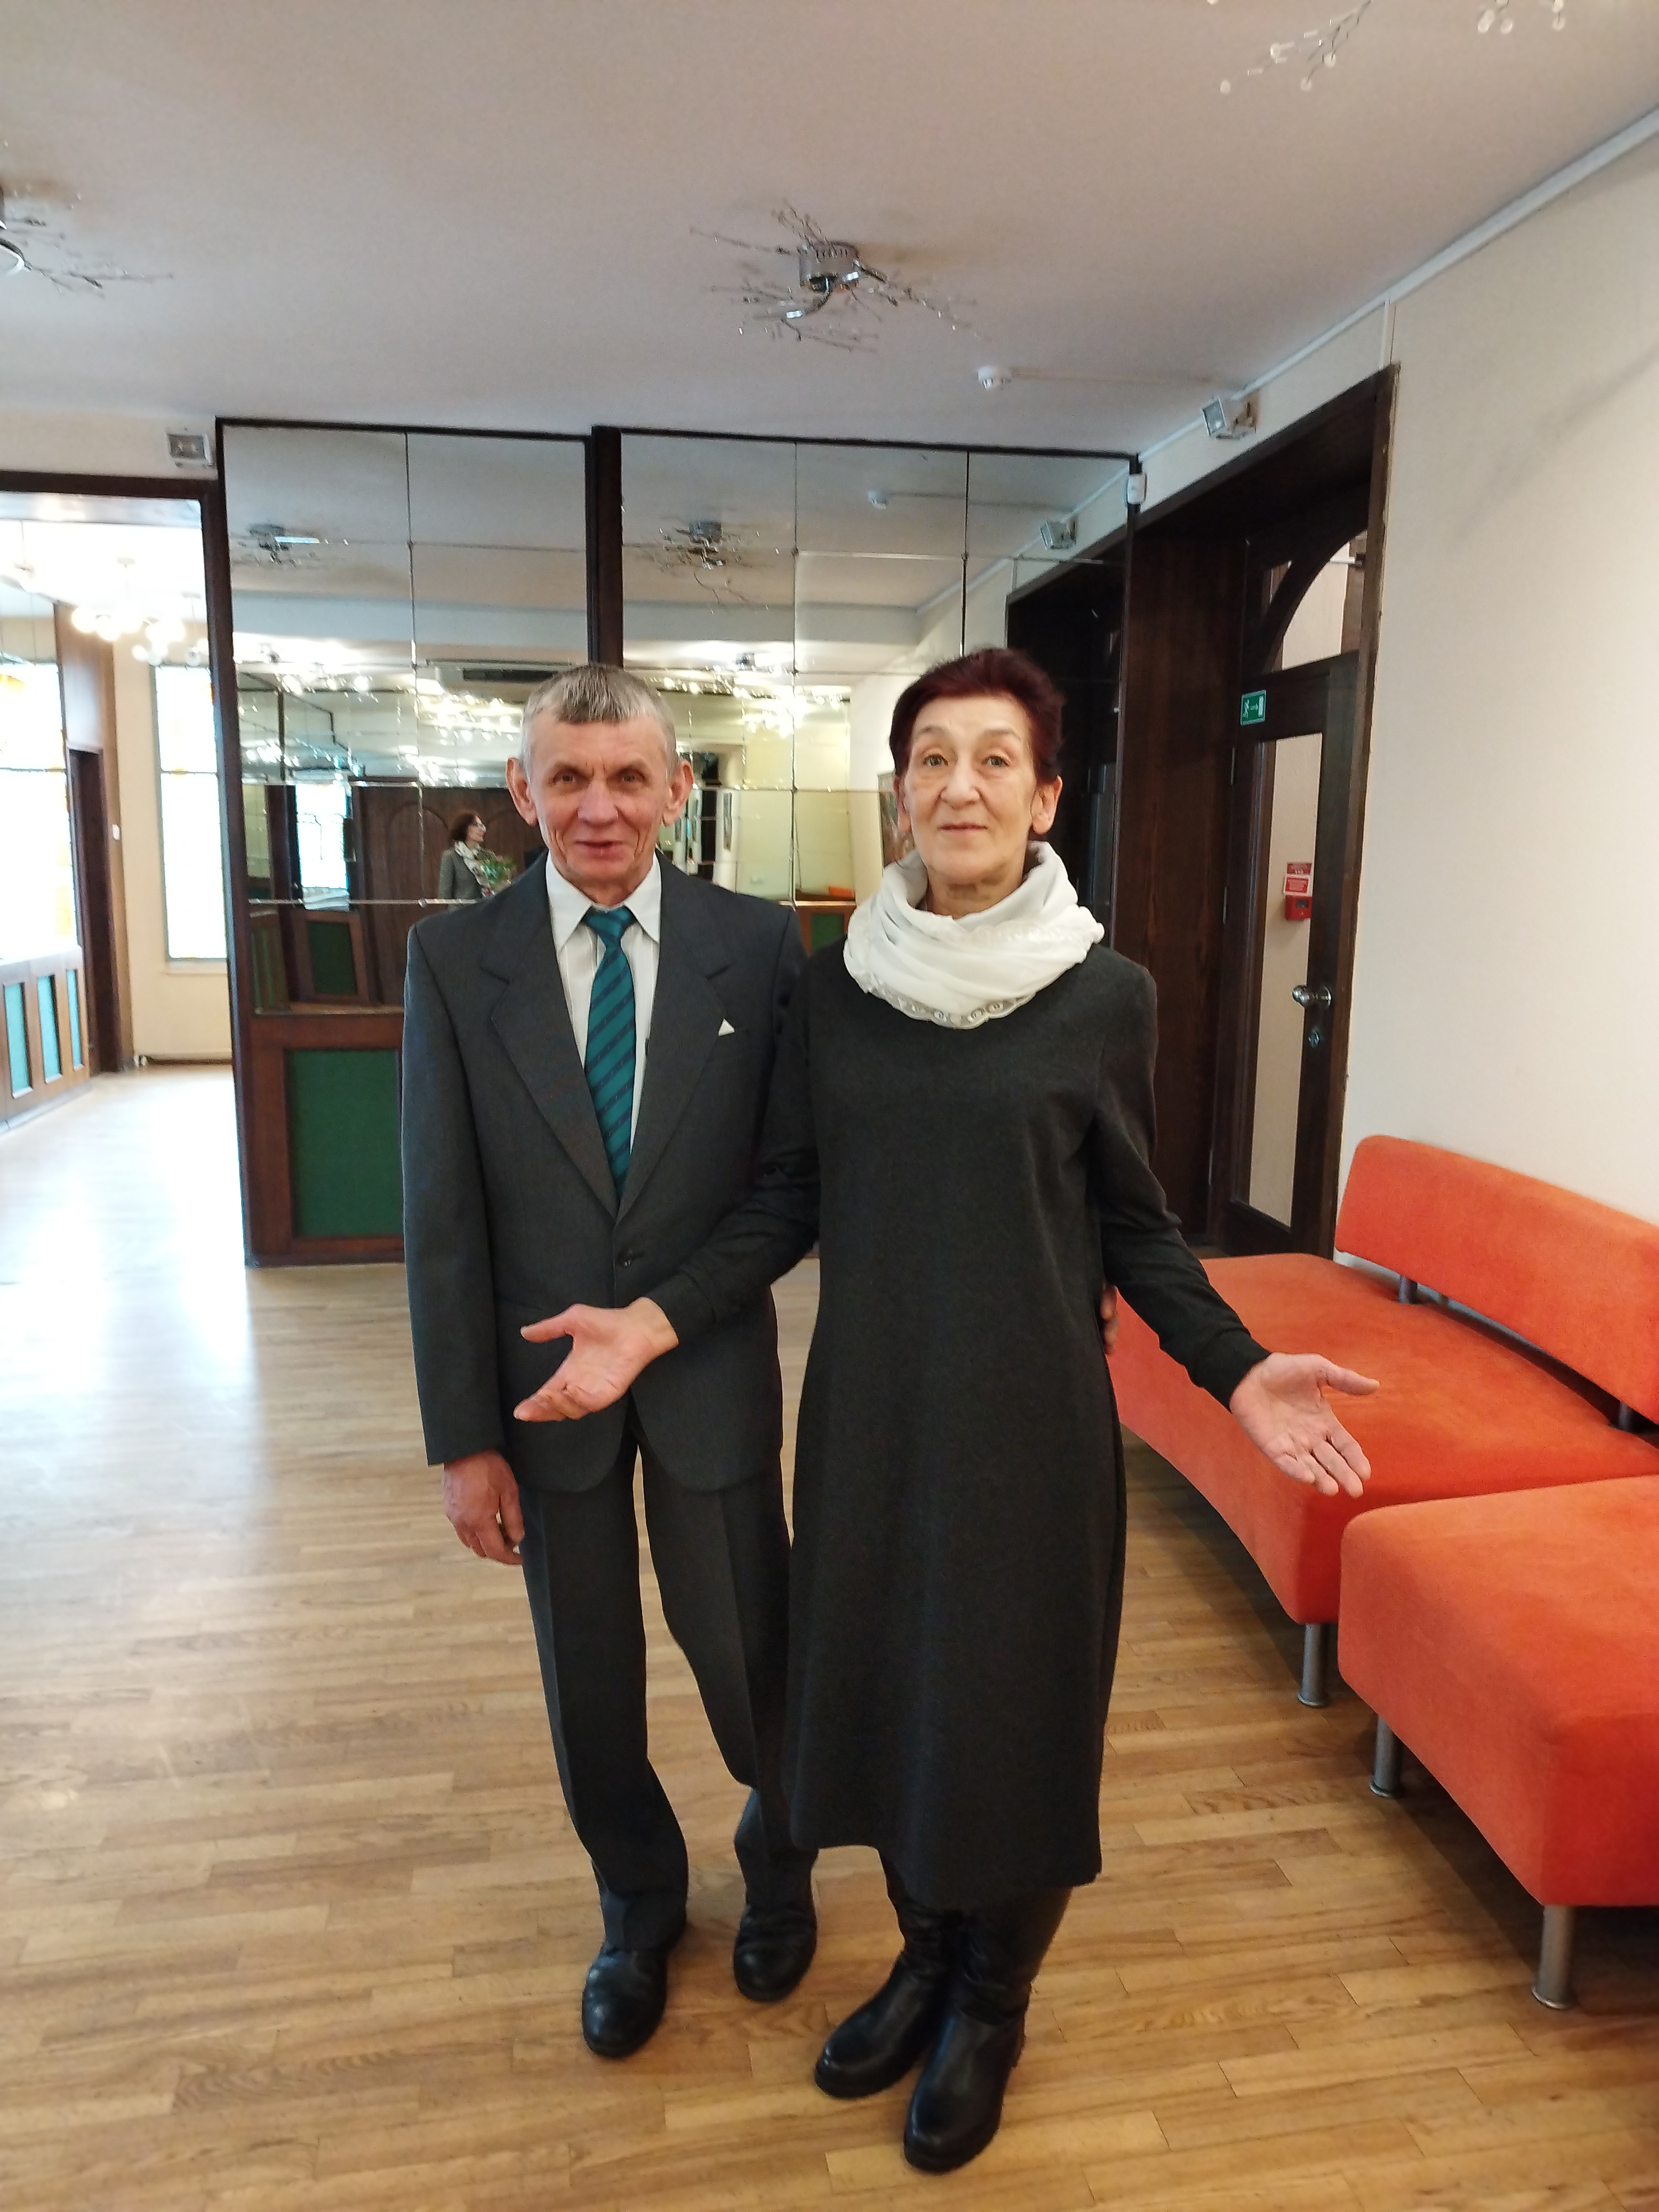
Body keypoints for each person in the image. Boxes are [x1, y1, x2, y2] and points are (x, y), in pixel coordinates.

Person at [512, 647, 1379, 2169]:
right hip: (870, 1419)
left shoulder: (1102, 995)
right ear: (898, 794)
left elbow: (1136, 1226)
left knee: (1014, 1718)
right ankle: (922, 1952)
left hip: (1032, 1428)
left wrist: (1238, 1367)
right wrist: (649, 1323)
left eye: (993, 759)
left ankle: (990, 1997)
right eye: (930, 758)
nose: (958, 785)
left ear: (1044, 797)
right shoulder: (836, 989)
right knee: (887, 1698)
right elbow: (786, 1196)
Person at [400, 664, 818, 2063]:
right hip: (540, 1398)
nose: (598, 807)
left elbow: (787, 1188)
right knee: (588, 1680)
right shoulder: (454, 961)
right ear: (522, 793)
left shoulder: (757, 946)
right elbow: (441, 1217)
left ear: (676, 790)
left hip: (704, 1370)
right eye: (567, 778)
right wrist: (464, 1440)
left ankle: (780, 1860)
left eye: (628, 776)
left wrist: (662, 1317)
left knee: (749, 1653)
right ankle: (637, 1904)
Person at [437, 809, 491, 902]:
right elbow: (444, 895)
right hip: (461, 910)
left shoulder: (487, 855)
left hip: (485, 909)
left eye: (483, 826)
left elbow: (496, 887)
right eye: (478, 826)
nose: (483, 830)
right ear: (466, 828)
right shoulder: (451, 856)